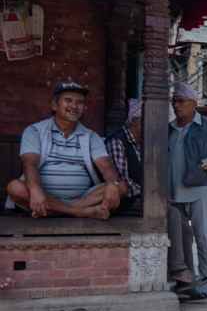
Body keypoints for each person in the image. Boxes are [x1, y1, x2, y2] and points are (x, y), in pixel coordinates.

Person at [5, 81, 126, 219]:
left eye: (79, 102)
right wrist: (35, 189)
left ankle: (62, 211)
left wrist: (112, 184)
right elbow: (30, 164)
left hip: (83, 198)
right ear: (54, 105)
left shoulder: (91, 136)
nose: (74, 106)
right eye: (68, 100)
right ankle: (80, 212)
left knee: (121, 187)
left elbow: (106, 166)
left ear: (84, 107)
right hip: (44, 195)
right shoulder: (34, 131)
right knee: (14, 187)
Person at [167, 82, 207, 300]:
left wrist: (206, 163)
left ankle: (206, 281)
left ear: (193, 104)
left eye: (181, 101)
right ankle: (186, 280)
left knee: (202, 236)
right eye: (174, 101)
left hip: (198, 189)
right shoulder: (170, 128)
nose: (176, 105)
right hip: (173, 192)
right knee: (181, 239)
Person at [105, 98, 143, 209]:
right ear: (135, 122)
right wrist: (147, 193)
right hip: (123, 203)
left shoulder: (140, 143)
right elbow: (122, 182)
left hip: (139, 200)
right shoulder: (117, 142)